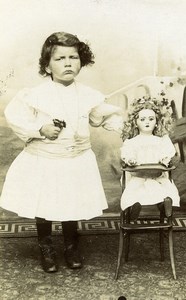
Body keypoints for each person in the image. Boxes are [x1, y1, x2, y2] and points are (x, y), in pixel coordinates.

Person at [0, 31, 123, 273]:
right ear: (47, 65)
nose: (68, 63)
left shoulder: (88, 95)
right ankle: (45, 246)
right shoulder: (35, 95)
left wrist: (123, 125)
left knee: (71, 201)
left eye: (73, 57)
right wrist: (40, 129)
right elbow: (16, 118)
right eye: (59, 59)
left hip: (75, 159)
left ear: (81, 61)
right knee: (43, 203)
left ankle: (70, 245)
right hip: (45, 159)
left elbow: (100, 117)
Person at [120, 96, 180, 220]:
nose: (147, 122)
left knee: (163, 191)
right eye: (142, 119)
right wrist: (130, 160)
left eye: (151, 119)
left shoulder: (162, 140)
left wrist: (165, 158)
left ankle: (165, 206)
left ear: (157, 121)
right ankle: (133, 208)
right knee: (133, 193)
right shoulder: (131, 142)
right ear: (135, 122)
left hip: (157, 176)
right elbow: (126, 152)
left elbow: (168, 151)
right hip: (138, 177)